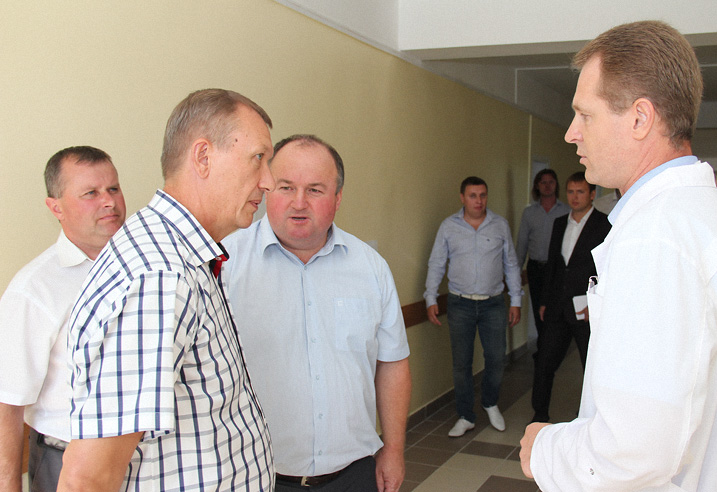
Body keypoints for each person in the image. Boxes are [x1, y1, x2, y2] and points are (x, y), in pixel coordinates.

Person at [520, 21, 717, 491]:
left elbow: (634, 452)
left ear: (640, 119)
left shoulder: (657, 238)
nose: (571, 134)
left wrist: (545, 448)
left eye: (585, 115)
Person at [56, 89, 276, 492]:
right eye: (258, 158)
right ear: (203, 157)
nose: (268, 181)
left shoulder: (179, 256)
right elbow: (88, 477)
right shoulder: (159, 276)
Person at [222, 134, 411, 492]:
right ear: (266, 188)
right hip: (256, 476)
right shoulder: (225, 266)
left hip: (354, 475)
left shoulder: (370, 268)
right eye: (286, 187)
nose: (299, 202)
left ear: (337, 198)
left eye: (315, 190)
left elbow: (392, 364)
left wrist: (394, 449)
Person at [0, 146, 125, 492]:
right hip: (64, 461)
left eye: (113, 188)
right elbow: (7, 403)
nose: (109, 202)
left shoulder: (142, 268)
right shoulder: (34, 290)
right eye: (91, 193)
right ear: (55, 207)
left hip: (138, 460)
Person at [425, 176, 523, 437]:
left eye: (482, 195)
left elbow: (511, 264)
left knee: (496, 359)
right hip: (460, 304)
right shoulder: (449, 227)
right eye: (472, 196)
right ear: (462, 198)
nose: (478, 201)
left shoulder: (499, 225)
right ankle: (465, 415)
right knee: (461, 364)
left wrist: (516, 300)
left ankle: (490, 402)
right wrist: (430, 298)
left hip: (493, 304)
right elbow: (436, 263)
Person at [532, 172, 609, 423]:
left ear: (592, 194)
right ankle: (539, 414)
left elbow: (607, 269)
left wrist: (596, 304)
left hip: (586, 308)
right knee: (545, 362)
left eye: (580, 192)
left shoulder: (604, 225)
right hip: (557, 305)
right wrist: (544, 300)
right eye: (571, 192)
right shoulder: (559, 223)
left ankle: (591, 417)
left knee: (591, 366)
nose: (575, 197)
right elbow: (553, 266)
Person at [516, 170, 570, 342]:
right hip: (536, 269)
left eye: (551, 182)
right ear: (537, 186)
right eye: (543, 182)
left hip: (558, 270)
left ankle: (553, 348)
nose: (547, 186)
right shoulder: (529, 213)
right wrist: (516, 272)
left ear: (556, 185)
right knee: (539, 310)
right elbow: (522, 243)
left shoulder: (566, 211)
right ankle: (542, 348)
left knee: (556, 311)